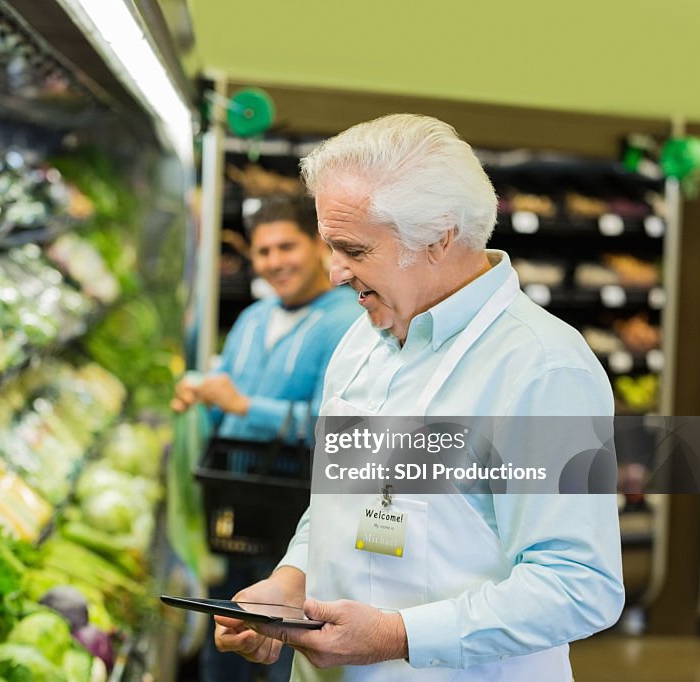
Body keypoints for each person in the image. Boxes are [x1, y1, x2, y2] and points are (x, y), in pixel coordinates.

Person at [213, 114, 625, 681]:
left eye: (353, 250)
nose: (333, 273)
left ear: (439, 236)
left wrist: (398, 636)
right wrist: (289, 582)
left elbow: (580, 584)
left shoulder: (541, 368)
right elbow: (339, 503)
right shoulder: (363, 338)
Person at [173, 194, 361, 682]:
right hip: (235, 511)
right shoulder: (255, 317)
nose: (275, 262)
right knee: (228, 634)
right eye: (263, 252)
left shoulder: (349, 324)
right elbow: (228, 386)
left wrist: (243, 407)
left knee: (284, 646)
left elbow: (335, 426)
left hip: (295, 515)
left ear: (319, 246)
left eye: (286, 247)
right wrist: (199, 395)